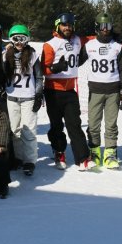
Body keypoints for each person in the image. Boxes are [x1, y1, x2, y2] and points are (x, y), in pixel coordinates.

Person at [42, 12, 94, 170]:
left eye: (70, 25)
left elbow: (94, 39)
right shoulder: (50, 44)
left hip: (70, 91)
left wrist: (109, 35)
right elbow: (42, 69)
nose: (67, 28)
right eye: (64, 25)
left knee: (75, 125)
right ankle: (59, 152)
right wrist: (54, 68)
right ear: (58, 26)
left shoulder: (77, 40)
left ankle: (82, 157)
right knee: (57, 125)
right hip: (53, 91)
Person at [80, 12, 122, 169]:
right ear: (97, 27)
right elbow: (76, 62)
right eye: (102, 26)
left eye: (108, 26)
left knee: (111, 124)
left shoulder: (117, 46)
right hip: (95, 90)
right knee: (93, 124)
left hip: (113, 90)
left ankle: (110, 152)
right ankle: (94, 151)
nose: (105, 29)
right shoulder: (89, 45)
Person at [3, 24, 43, 176]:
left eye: (22, 38)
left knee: (29, 131)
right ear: (11, 40)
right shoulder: (6, 53)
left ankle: (30, 161)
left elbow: (39, 76)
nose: (19, 42)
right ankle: (18, 158)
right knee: (14, 130)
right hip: (11, 97)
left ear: (27, 40)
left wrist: (39, 94)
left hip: (28, 97)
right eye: (16, 39)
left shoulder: (32, 55)